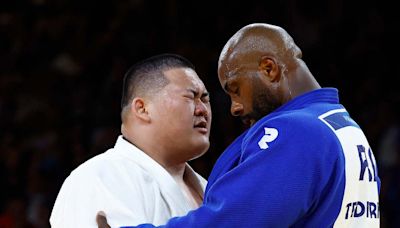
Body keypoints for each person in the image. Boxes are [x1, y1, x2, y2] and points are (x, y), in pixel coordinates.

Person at [97, 23, 381, 227]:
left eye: (235, 88)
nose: (235, 107)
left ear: (269, 69)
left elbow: (229, 221)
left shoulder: (298, 131)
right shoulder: (344, 128)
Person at [49, 53, 212, 227]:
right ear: (142, 109)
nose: (202, 109)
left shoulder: (209, 187)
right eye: (190, 97)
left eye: (205, 99)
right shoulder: (98, 177)